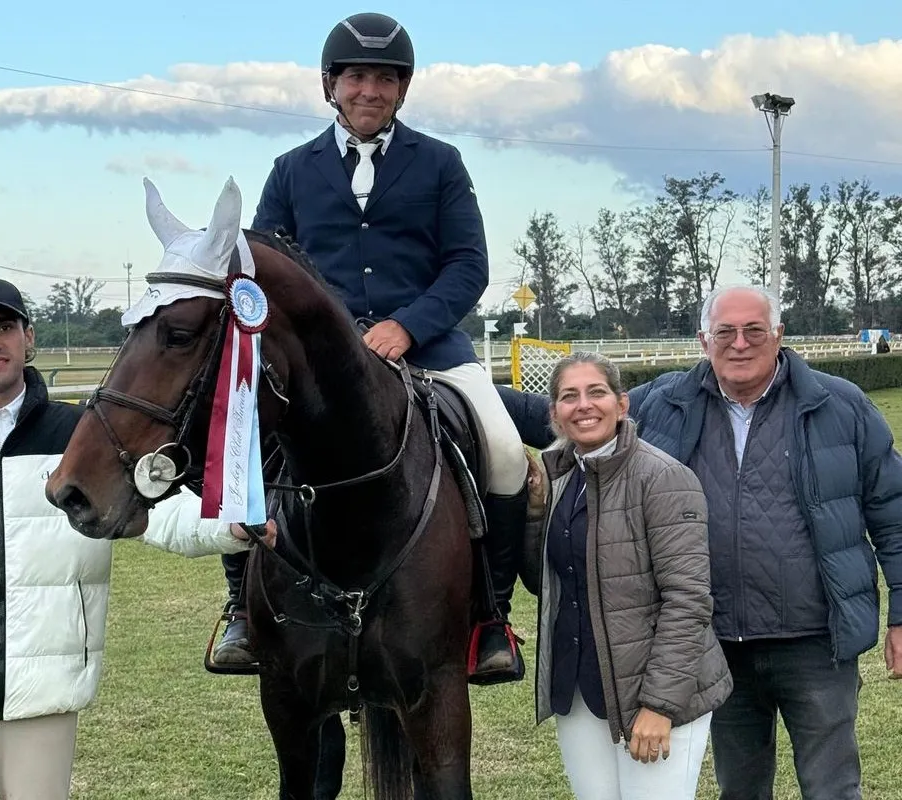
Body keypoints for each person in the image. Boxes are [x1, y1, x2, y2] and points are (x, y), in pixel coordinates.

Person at [0, 275, 270, 799]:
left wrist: (231, 522)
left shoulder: (82, 435)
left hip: (44, 691)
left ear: (29, 337)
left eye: (5, 326)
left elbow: (161, 512)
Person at [211, 10, 531, 683]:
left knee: (503, 451)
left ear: (402, 90)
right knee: (247, 448)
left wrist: (407, 326)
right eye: (356, 76)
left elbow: (468, 264)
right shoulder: (291, 170)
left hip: (429, 348)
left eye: (384, 79)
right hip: (323, 367)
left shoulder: (440, 163)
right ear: (332, 85)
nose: (369, 90)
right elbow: (267, 265)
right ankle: (240, 609)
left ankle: (490, 617)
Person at [507, 283, 902, 799]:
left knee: (831, 787)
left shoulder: (841, 405)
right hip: (715, 640)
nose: (739, 343)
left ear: (778, 334)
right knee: (739, 789)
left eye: (754, 330)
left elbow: (893, 512)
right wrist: (458, 378)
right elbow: (579, 414)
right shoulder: (664, 401)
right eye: (725, 332)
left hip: (813, 639)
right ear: (703, 340)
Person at [530, 352, 732, 798]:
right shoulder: (560, 477)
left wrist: (659, 706)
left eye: (596, 392)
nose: (583, 405)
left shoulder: (663, 477)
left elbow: (688, 599)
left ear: (622, 404)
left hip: (655, 695)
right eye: (569, 396)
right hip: (581, 693)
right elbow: (543, 581)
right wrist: (531, 514)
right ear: (555, 413)